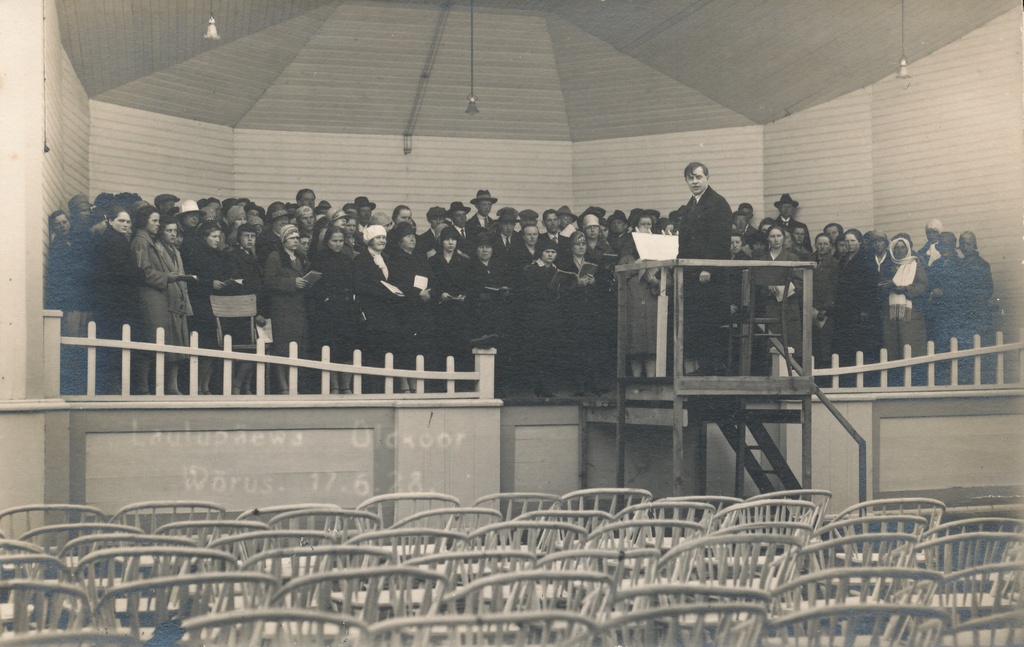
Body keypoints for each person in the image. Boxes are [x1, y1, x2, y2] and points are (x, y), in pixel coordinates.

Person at [675, 161, 732, 375]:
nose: (695, 181)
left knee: (711, 324)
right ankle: (703, 368)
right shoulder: (690, 205)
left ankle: (713, 369)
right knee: (696, 323)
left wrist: (708, 267)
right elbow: (684, 242)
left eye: (698, 177)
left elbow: (719, 240)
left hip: (710, 278)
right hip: (691, 276)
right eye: (690, 178)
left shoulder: (718, 204)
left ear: (708, 178)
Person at [131, 207, 192, 395]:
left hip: (161, 297)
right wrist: (168, 277)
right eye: (154, 221)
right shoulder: (141, 242)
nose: (157, 224)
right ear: (144, 221)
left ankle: (158, 387)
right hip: (151, 297)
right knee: (152, 342)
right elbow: (143, 272)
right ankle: (144, 387)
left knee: (163, 342)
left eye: (158, 221)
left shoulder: (148, 241)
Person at [92, 208, 146, 394]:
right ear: (110, 221)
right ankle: (114, 386)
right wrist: (139, 273)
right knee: (115, 341)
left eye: (128, 222)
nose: (125, 225)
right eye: (121, 221)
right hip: (114, 301)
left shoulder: (118, 239)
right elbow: (120, 270)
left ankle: (116, 385)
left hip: (117, 299)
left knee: (117, 341)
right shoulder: (112, 241)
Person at [184, 221, 239, 395]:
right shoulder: (195, 256)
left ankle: (205, 385)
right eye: (213, 236)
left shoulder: (219, 256)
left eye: (219, 237)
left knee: (214, 346)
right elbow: (192, 280)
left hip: (217, 304)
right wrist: (210, 283)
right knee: (204, 345)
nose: (217, 240)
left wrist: (226, 282)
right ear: (204, 237)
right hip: (201, 305)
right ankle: (197, 386)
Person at [352, 224, 405, 391]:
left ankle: (387, 387)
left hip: (389, 312)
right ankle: (373, 388)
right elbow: (360, 285)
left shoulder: (388, 259)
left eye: (383, 237)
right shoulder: (361, 260)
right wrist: (386, 293)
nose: (382, 240)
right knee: (373, 351)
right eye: (378, 238)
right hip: (372, 312)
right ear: (369, 240)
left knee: (388, 350)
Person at [311, 226, 360, 395]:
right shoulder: (319, 259)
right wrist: (325, 298)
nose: (338, 244)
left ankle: (346, 385)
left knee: (347, 348)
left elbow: (354, 281)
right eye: (334, 241)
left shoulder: (347, 258)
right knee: (330, 348)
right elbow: (314, 284)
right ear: (327, 242)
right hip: (329, 311)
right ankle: (334, 386)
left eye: (341, 241)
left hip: (346, 309)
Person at [387, 222, 435, 393]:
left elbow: (431, 278)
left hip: (421, 308)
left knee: (418, 346)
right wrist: (416, 293)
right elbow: (396, 282)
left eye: (413, 236)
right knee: (403, 346)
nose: (412, 239)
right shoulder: (393, 259)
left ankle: (415, 381)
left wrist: (429, 292)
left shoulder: (419, 258)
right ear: (399, 241)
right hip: (403, 308)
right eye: (408, 236)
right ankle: (404, 383)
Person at [262, 224, 311, 393]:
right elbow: (269, 281)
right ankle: (283, 386)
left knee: (297, 348)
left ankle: (294, 385)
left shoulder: (300, 257)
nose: (296, 241)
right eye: (292, 238)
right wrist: (292, 282)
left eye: (297, 238)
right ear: (283, 240)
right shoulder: (274, 257)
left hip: (298, 308)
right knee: (283, 347)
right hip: (282, 309)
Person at [752, 225, 804, 373]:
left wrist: (782, 289)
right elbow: (756, 283)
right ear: (768, 239)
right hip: (769, 308)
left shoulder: (792, 257)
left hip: (788, 307)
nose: (776, 239)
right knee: (770, 347)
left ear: (784, 238)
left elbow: (800, 282)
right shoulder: (761, 259)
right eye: (772, 236)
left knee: (791, 346)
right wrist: (768, 287)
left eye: (779, 236)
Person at [878, 234, 929, 384]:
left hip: (910, 312)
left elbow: (923, 285)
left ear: (908, 249)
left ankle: (915, 379)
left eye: (903, 248)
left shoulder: (915, 264)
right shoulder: (888, 266)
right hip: (891, 312)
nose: (900, 251)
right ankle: (896, 379)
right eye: (897, 248)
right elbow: (880, 285)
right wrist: (888, 286)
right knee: (892, 344)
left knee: (910, 344)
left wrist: (905, 289)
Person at [832, 229, 881, 376]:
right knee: (845, 343)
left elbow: (871, 287)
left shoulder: (866, 259)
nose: (849, 244)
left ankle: (861, 375)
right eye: (847, 241)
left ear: (859, 241)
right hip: (844, 308)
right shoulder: (844, 260)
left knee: (859, 343)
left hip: (859, 309)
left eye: (852, 241)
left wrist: (865, 309)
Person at [619, 211, 661, 378]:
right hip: (633, 308)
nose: (646, 228)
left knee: (652, 348)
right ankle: (636, 386)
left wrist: (656, 283)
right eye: (643, 224)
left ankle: (652, 385)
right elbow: (618, 278)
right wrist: (633, 268)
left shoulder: (659, 258)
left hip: (652, 308)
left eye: (649, 224)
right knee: (634, 348)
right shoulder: (627, 259)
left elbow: (670, 281)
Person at [224, 223, 264, 394]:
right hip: (241, 311)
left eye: (252, 236)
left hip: (252, 308)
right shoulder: (234, 256)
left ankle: (245, 386)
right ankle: (237, 385)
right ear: (239, 238)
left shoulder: (253, 256)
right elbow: (240, 285)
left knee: (254, 348)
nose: (250, 239)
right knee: (249, 348)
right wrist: (254, 313)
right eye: (246, 236)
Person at [520, 237, 562, 397]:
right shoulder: (531, 269)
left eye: (553, 252)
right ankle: (539, 385)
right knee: (538, 351)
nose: (550, 255)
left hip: (552, 316)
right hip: (536, 316)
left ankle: (546, 385)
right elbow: (528, 293)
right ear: (541, 253)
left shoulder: (556, 270)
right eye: (547, 252)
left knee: (549, 351)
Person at [430, 226, 472, 374]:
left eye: (453, 239)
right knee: (442, 343)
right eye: (447, 239)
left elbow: (469, 283)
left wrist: (464, 295)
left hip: (459, 309)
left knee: (458, 344)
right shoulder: (433, 260)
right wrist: (439, 294)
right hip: (441, 308)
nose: (450, 242)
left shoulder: (463, 261)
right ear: (441, 241)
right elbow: (430, 283)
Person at [811, 232, 838, 370]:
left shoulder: (834, 264)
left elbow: (834, 288)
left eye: (825, 244)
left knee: (825, 345)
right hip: (809, 307)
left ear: (830, 247)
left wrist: (824, 308)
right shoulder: (808, 261)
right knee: (811, 345)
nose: (822, 247)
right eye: (819, 244)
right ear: (815, 244)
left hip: (825, 311)